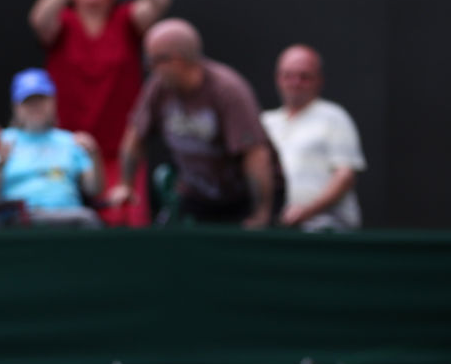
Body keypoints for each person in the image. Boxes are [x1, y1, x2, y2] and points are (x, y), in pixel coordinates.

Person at [29, 0, 171, 228]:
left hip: (121, 149)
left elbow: (160, 0)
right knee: (69, 222)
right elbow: (39, 17)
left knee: (125, 223)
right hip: (67, 149)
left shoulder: (125, 20)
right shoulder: (63, 23)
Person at [115, 19, 283, 228]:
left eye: (155, 60)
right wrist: (126, 184)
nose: (150, 68)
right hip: (198, 196)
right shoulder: (159, 88)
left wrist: (261, 214)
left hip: (242, 198)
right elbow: (135, 136)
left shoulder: (227, 90)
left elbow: (256, 155)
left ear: (179, 60)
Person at [0, 68, 103, 228]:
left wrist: (94, 155)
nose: (35, 107)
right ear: (16, 107)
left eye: (41, 99)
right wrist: (1, 166)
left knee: (89, 221)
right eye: (28, 101)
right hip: (20, 217)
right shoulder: (0, 140)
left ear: (53, 102)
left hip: (70, 215)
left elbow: (94, 190)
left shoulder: (71, 141)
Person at [261, 44, 366, 231]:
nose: (295, 82)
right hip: (275, 228)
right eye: (288, 75)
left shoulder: (334, 117)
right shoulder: (266, 122)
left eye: (304, 76)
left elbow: (345, 175)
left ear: (319, 80)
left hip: (324, 229)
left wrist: (307, 211)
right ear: (278, 78)